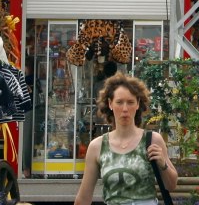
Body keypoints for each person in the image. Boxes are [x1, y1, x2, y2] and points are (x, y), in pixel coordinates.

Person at [74, 73, 177, 205]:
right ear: (110, 104)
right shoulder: (97, 146)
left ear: (138, 104)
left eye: (130, 102)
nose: (125, 109)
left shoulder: (152, 140)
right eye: (119, 102)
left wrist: (163, 164)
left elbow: (172, 185)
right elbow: (83, 198)